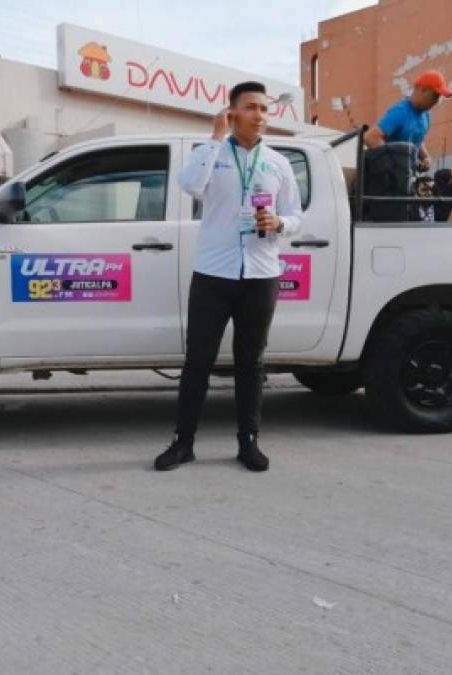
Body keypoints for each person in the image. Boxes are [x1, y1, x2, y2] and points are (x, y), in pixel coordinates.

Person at [153, 81, 302, 473]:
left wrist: (279, 222)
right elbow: (190, 186)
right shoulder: (213, 154)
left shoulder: (278, 163)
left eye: (264, 109)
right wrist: (215, 137)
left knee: (251, 363)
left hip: (261, 273)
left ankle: (248, 441)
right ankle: (183, 443)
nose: (259, 116)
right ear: (232, 112)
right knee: (198, 361)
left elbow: (296, 217)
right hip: (213, 274)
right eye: (251, 108)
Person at [364, 70, 452, 172]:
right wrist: (395, 161)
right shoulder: (400, 111)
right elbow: (370, 137)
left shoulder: (426, 115)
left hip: (406, 177)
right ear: (423, 90)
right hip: (387, 178)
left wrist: (426, 158)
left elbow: (417, 140)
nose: (436, 101)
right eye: (435, 95)